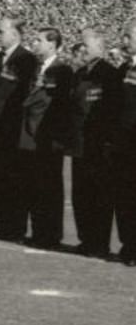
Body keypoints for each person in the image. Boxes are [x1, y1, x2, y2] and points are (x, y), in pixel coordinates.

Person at [19, 28, 72, 248]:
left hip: (47, 138)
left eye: (39, 40)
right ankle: (39, 231)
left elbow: (59, 106)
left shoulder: (62, 71)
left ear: (52, 44)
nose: (35, 44)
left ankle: (51, 234)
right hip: (31, 136)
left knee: (49, 188)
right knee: (33, 186)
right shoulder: (36, 68)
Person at [68, 27, 118, 258]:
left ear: (99, 46)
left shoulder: (109, 73)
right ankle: (86, 240)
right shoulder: (81, 73)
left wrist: (106, 141)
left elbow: (109, 111)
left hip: (97, 145)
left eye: (85, 46)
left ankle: (99, 242)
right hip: (80, 142)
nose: (82, 49)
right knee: (81, 194)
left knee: (99, 196)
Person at [0, 17, 37, 241]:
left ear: (15, 34)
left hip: (11, 129)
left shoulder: (26, 59)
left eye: (2, 31)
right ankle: (2, 222)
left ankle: (15, 226)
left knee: (14, 180)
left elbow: (22, 96)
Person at [113, 20, 136, 265]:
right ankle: (128, 244)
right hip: (123, 146)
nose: (124, 42)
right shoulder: (123, 70)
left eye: (129, 37)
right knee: (125, 197)